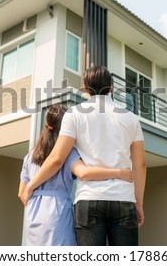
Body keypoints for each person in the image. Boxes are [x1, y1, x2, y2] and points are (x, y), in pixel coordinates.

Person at [22, 65, 146, 246]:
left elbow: (57, 158)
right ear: (111, 87)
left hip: (89, 201)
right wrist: (139, 203)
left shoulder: (74, 114)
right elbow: (140, 164)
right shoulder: (131, 118)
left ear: (85, 88)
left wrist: (31, 185)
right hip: (124, 199)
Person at [18, 103, 134, 246]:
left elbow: (21, 193)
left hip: (33, 213)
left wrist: (35, 204)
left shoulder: (29, 156)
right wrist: (119, 173)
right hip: (58, 213)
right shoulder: (67, 153)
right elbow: (83, 173)